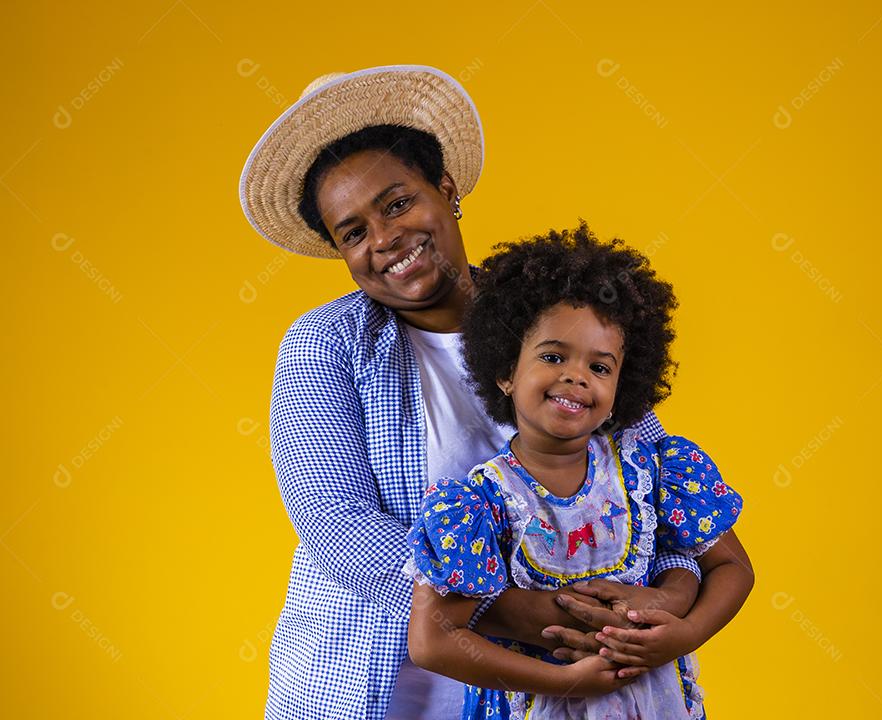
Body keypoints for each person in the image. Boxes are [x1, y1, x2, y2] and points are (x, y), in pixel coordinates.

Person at [239, 66, 718, 720]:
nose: (383, 240)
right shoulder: (326, 345)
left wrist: (670, 591)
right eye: (353, 232)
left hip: (564, 692)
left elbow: (653, 487)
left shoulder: (558, 316)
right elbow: (336, 523)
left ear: (446, 188)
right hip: (373, 688)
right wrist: (531, 613)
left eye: (398, 203)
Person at [405, 223, 754, 719]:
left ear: (622, 388)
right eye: (552, 356)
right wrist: (565, 681)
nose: (576, 376)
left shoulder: (649, 469)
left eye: (600, 367)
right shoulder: (479, 503)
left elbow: (734, 568)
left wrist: (685, 632)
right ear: (505, 370)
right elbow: (433, 641)